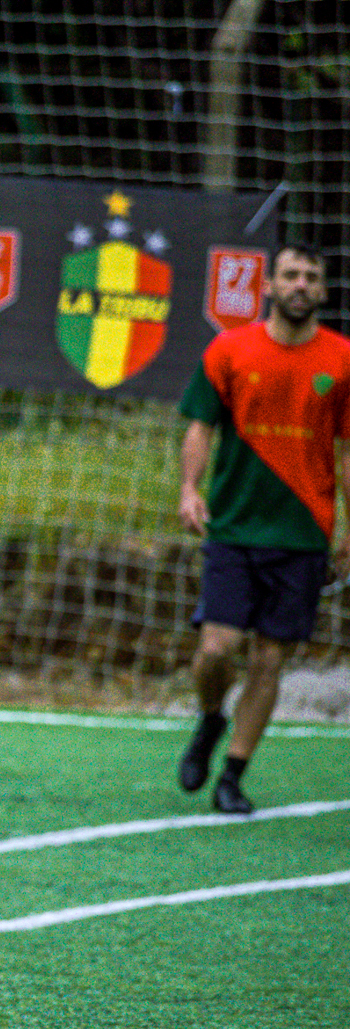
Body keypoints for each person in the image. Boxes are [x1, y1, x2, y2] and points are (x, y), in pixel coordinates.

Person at [175, 242, 350, 813]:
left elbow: (347, 449)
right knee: (216, 649)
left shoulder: (343, 360)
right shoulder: (230, 349)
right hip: (234, 527)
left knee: (270, 659)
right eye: (290, 275)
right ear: (269, 286)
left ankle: (233, 774)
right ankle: (210, 718)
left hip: (303, 534)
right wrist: (189, 488)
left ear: (322, 290)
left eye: (311, 277)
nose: (301, 285)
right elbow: (200, 426)